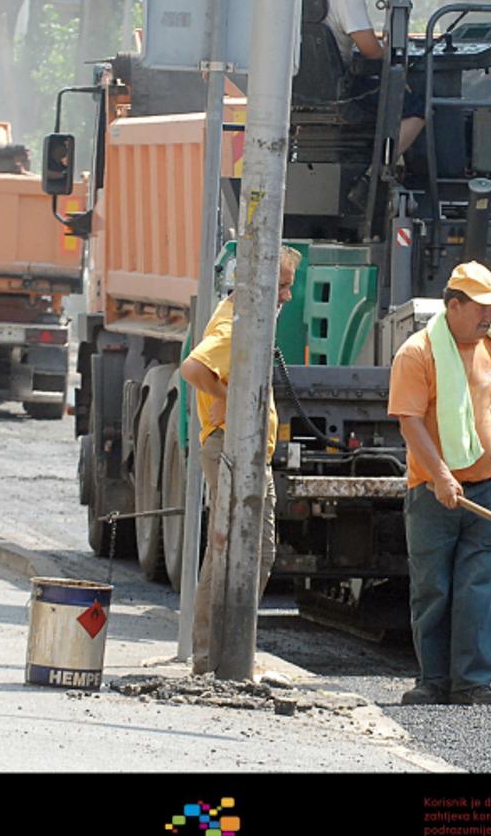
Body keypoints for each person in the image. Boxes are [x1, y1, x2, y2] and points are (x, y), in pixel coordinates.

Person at [388, 261, 491, 705]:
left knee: (478, 587)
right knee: (434, 586)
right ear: (454, 306)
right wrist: (442, 476)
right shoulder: (418, 352)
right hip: (431, 491)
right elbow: (410, 423)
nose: (490, 316)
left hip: (486, 488)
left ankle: (472, 682)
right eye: (481, 308)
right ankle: (432, 680)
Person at [180, 245, 301, 676]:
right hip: (233, 447)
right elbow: (193, 369)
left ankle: (219, 653)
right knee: (246, 549)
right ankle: (219, 655)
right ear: (259, 285)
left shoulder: (245, 320)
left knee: (231, 548)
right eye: (283, 286)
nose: (287, 296)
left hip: (241, 446)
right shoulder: (237, 324)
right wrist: (233, 400)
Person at [318, 0, 426, 157]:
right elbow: (370, 51)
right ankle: (376, 172)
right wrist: (396, 73)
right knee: (416, 108)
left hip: (297, 90)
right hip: (340, 94)